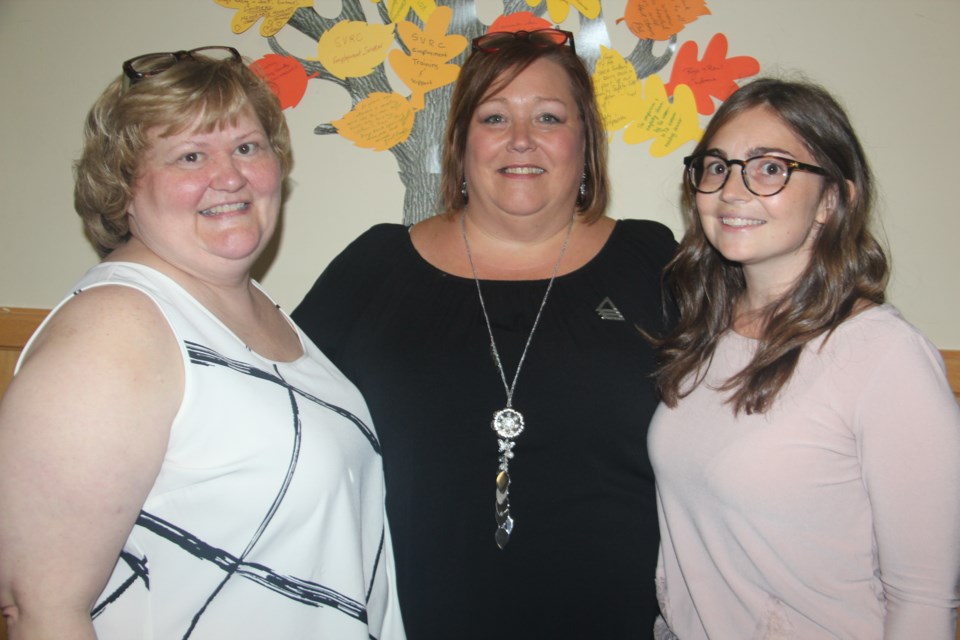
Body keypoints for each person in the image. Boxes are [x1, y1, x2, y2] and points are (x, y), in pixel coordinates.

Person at [0, 47, 404, 640]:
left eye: (247, 147)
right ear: (122, 186)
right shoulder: (115, 330)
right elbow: (41, 608)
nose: (231, 176)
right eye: (190, 155)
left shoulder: (259, 310)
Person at [292, 28, 676, 638]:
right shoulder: (376, 268)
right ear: (460, 144)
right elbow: (273, 415)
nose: (521, 139)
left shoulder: (652, 261)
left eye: (548, 116)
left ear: (586, 143)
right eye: (495, 116)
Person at [648, 77, 960, 639]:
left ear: (833, 199)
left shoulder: (882, 357)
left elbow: (923, 600)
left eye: (770, 168)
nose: (732, 190)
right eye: (716, 166)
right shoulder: (703, 334)